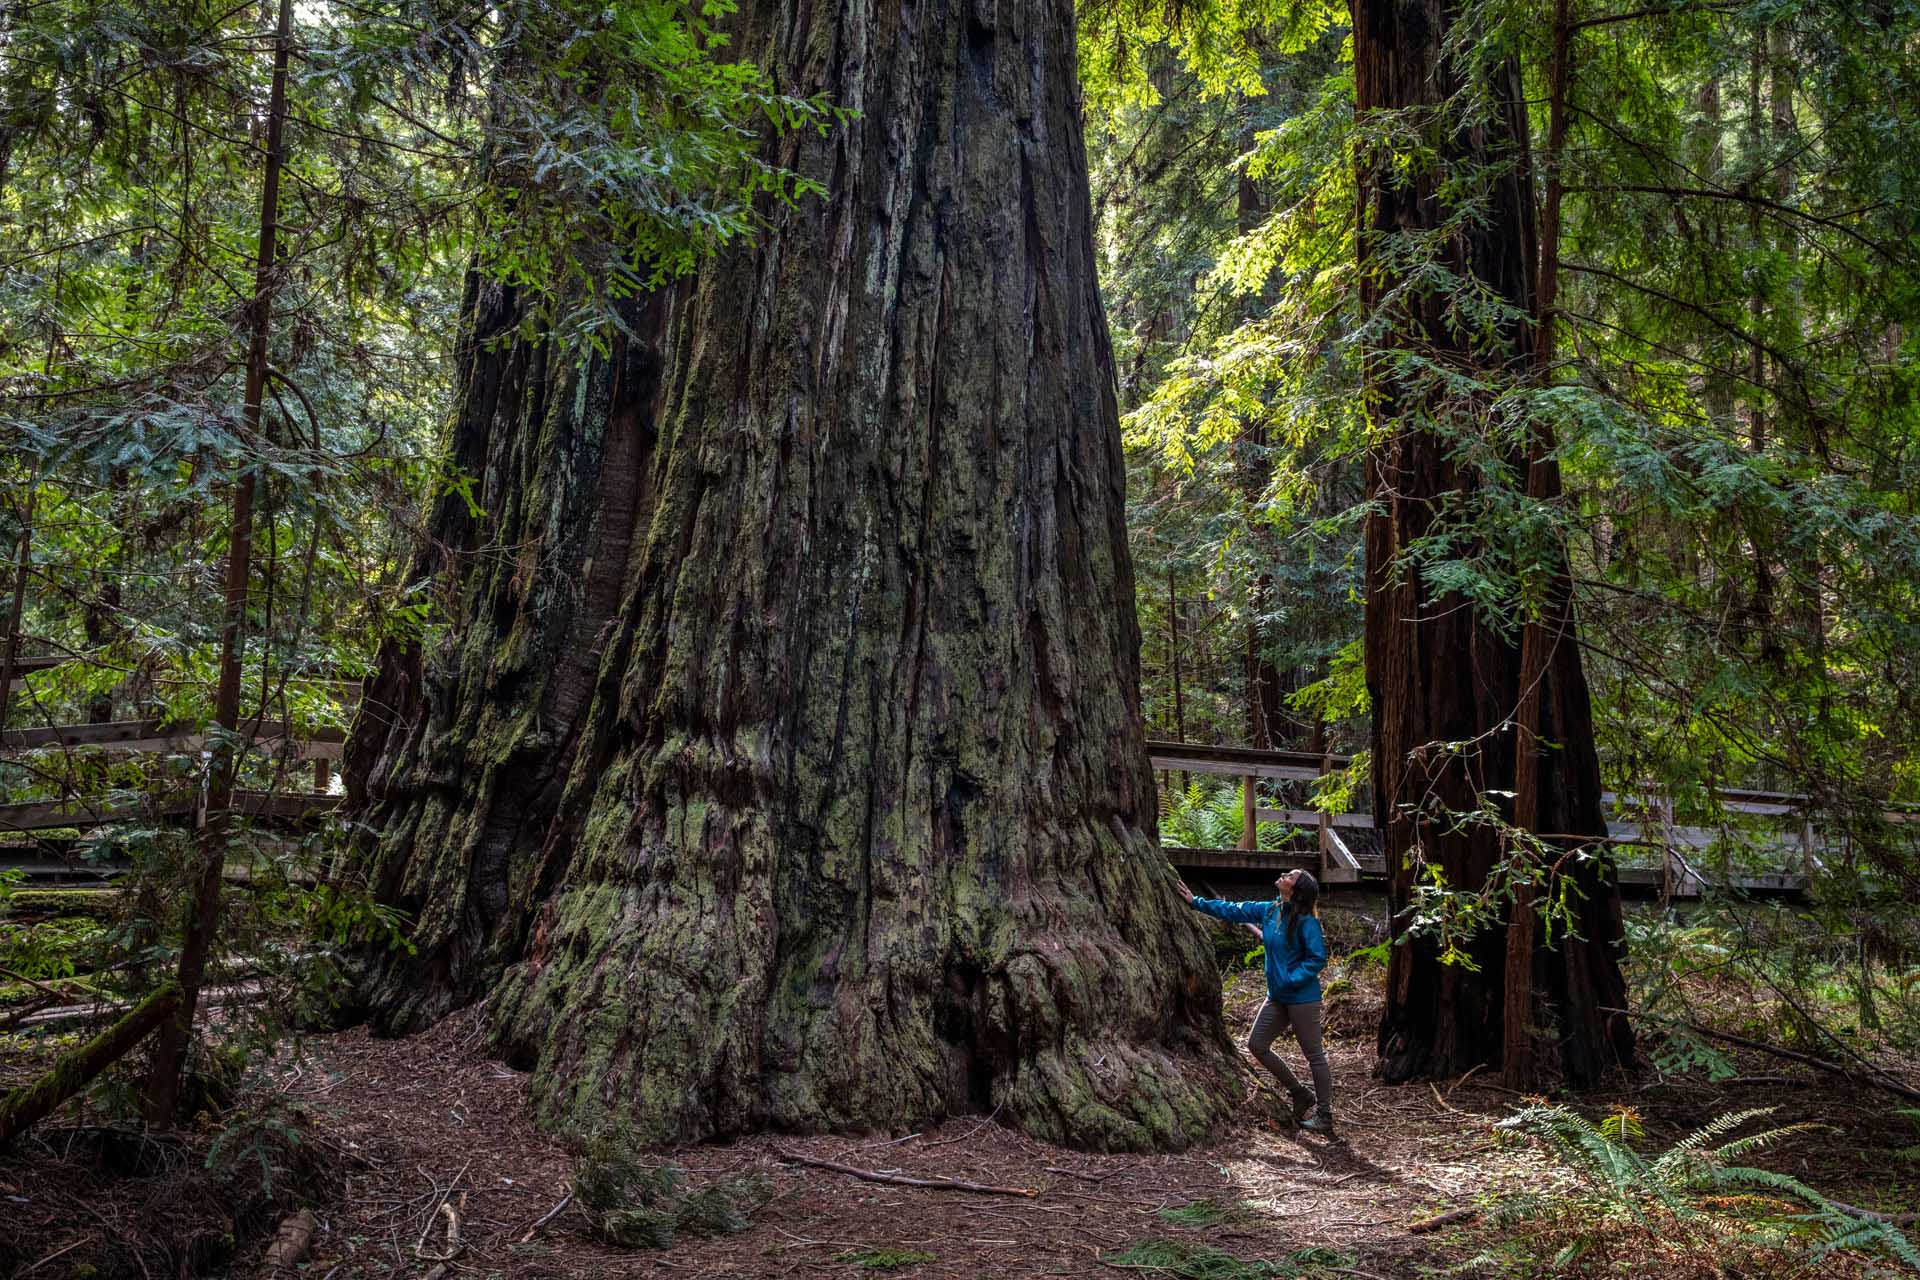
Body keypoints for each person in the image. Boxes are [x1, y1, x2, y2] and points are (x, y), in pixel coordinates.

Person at [1177, 869, 1334, 1133]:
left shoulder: (1307, 922)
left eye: (1290, 876)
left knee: (1314, 1055)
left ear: (1296, 890)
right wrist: (1196, 902)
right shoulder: (1270, 910)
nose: (1283, 875)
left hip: (1302, 999)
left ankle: (1325, 1115)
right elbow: (1234, 910)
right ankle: (1299, 1093)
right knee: (1257, 1045)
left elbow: (1317, 958)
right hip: (1277, 997)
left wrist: (1291, 979)